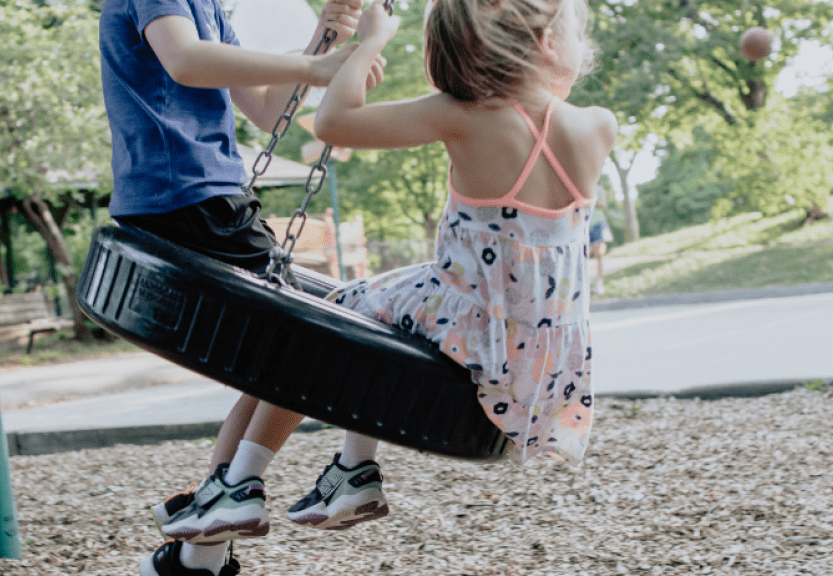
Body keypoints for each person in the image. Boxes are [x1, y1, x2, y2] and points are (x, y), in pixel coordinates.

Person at [159, 0, 616, 562]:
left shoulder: (463, 115)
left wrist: (371, 41)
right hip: (542, 358)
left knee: (332, 316)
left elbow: (332, 123)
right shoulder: (597, 124)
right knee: (376, 312)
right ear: (547, 43)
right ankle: (351, 469)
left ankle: (244, 482)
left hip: (469, 320)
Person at [97, 0, 385, 574]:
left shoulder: (209, 7)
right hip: (186, 199)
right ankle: (352, 470)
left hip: (210, 200)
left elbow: (262, 108)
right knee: (319, 332)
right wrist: (314, 70)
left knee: (278, 361)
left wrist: (323, 42)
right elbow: (184, 60)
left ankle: (198, 556)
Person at [589, 185, 614, 294]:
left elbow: (603, 204)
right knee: (582, 255)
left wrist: (591, 198)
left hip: (597, 223)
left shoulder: (598, 188)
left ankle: (599, 283)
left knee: (598, 254)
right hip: (582, 225)